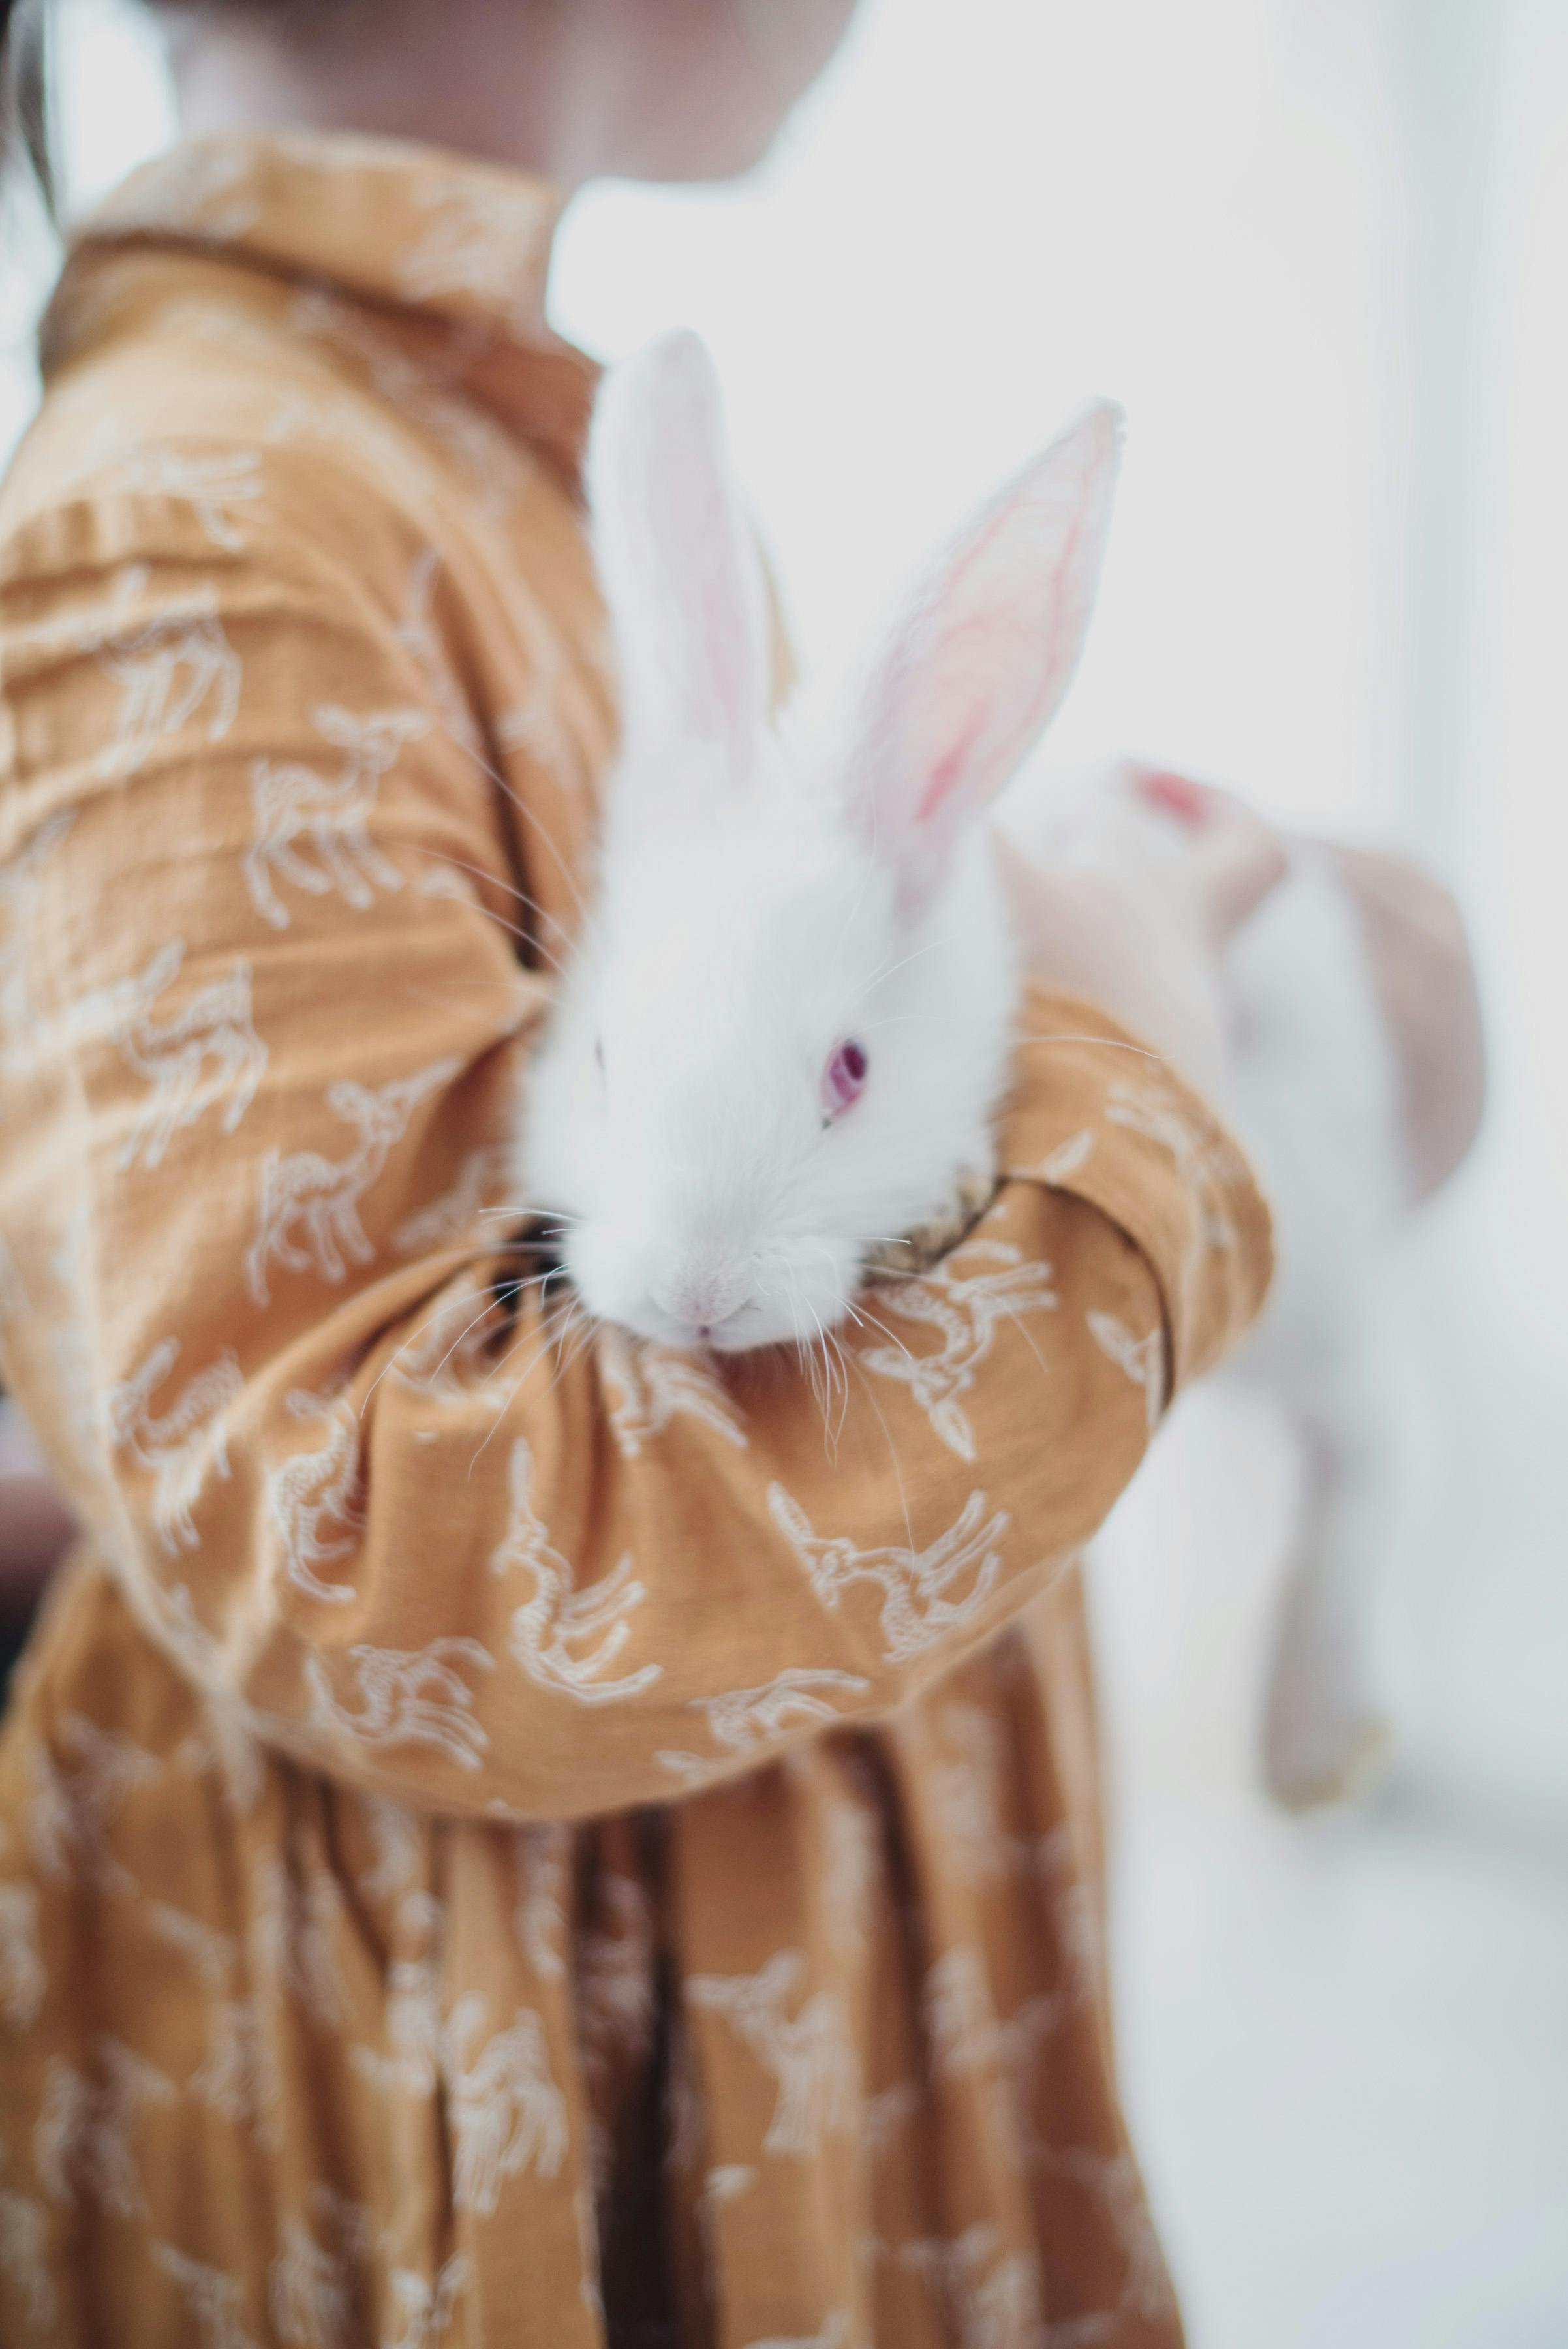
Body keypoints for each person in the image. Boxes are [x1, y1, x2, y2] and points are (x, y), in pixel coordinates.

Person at [0, 4, 1280, 2342]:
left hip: (799, 1913)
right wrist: (1143, 1093)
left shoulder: (496, 450)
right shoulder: (203, 524)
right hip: (502, 2026)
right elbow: (370, 1565)